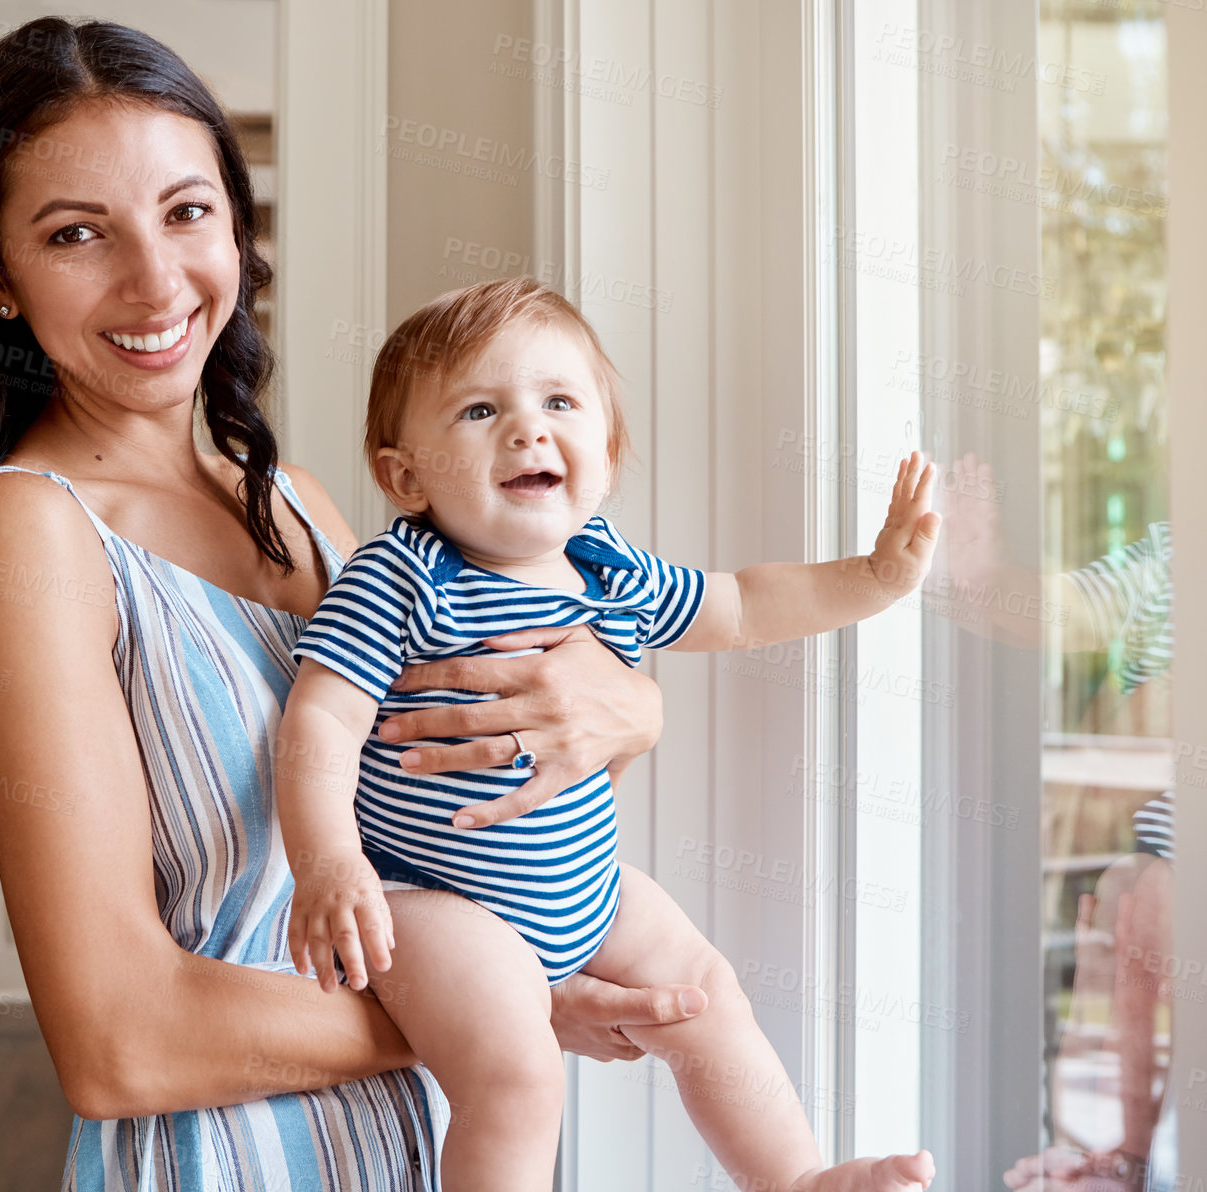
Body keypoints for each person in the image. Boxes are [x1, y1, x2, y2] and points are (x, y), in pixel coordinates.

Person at [0, 19, 708, 1191]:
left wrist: (629, 710)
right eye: (76, 233)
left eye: (185, 212)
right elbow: (120, 1043)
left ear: (235, 224)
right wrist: (505, 1014)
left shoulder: (304, 509)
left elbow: (473, 796)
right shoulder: (25, 531)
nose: (154, 281)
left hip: (392, 1142)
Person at [275, 279, 941, 1192]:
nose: (527, 429)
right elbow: (320, 717)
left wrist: (873, 577)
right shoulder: (401, 575)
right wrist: (328, 863)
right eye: (480, 409)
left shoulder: (608, 569)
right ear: (405, 477)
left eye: (558, 402)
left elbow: (742, 603)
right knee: (518, 1076)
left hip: (587, 890)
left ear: (609, 452)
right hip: (438, 902)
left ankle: (794, 1179)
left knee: (708, 995)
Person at [930, 455, 1176, 1191]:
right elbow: (1059, 611)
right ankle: (1122, 1156)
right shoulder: (1171, 560)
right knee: (1130, 895)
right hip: (1164, 872)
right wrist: (979, 576)